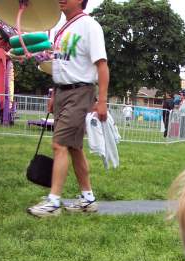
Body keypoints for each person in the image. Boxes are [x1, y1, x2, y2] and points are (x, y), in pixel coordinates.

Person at [27, 0, 109, 217]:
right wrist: (54, 93)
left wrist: (102, 101)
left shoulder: (90, 26)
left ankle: (53, 202)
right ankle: (88, 199)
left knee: (59, 144)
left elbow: (102, 65)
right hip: (63, 91)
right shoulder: (61, 29)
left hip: (80, 92)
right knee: (74, 148)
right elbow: (60, 64)